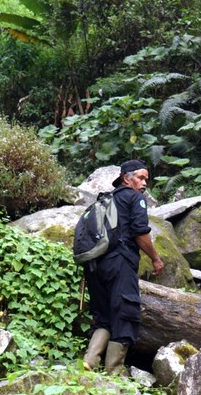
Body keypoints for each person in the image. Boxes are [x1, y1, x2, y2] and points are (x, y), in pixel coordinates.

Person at [82, 159, 164, 375]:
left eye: (146, 178)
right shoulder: (135, 198)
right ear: (126, 178)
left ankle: (90, 360)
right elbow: (140, 232)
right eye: (140, 177)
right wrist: (155, 258)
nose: (145, 183)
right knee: (126, 313)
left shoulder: (105, 201)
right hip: (120, 262)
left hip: (94, 265)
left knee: (105, 316)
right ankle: (114, 372)